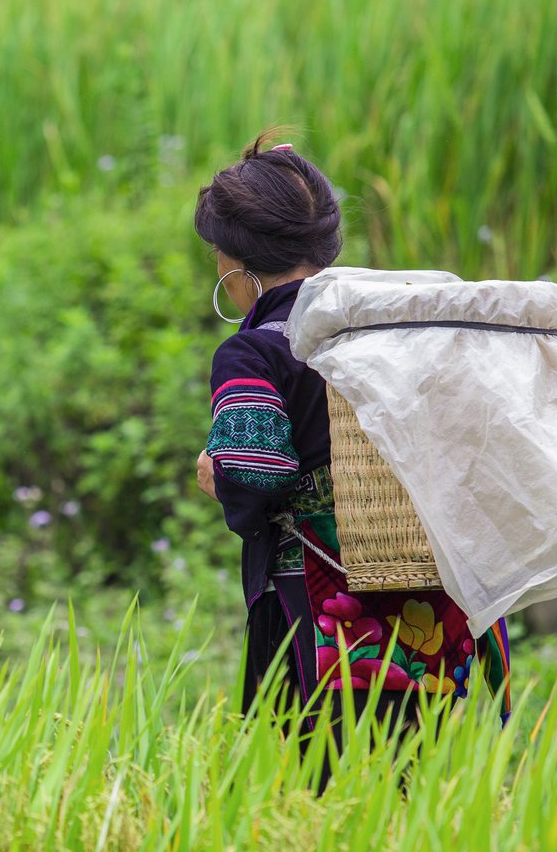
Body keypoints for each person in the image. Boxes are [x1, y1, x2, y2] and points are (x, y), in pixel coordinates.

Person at [191, 132, 510, 732]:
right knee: (415, 792)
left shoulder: (255, 351)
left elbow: (257, 470)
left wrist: (217, 473)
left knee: (310, 795)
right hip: (433, 610)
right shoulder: (408, 328)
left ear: (236, 261)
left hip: (322, 619)